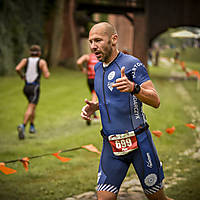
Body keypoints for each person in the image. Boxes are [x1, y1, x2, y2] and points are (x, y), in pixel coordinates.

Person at [81, 22, 173, 200]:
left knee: (158, 199)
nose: (93, 46)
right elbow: (111, 98)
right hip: (111, 145)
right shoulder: (97, 68)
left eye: (98, 40)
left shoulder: (132, 64)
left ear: (113, 39)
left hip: (139, 142)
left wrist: (134, 88)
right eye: (91, 41)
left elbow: (155, 100)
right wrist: (96, 106)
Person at [16, 44, 50, 140]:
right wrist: (46, 72)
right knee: (31, 106)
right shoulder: (41, 62)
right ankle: (23, 125)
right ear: (39, 53)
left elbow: (17, 68)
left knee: (32, 106)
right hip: (35, 87)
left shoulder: (25, 60)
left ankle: (32, 126)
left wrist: (22, 76)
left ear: (30, 53)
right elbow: (46, 75)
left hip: (26, 87)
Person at [77, 53, 99, 125]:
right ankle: (88, 113)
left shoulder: (88, 56)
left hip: (89, 79)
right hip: (97, 79)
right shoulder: (100, 57)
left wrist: (82, 69)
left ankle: (94, 115)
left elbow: (79, 62)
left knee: (93, 95)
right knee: (94, 96)